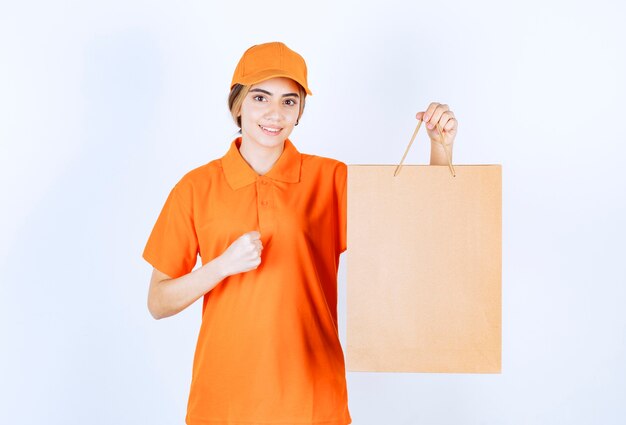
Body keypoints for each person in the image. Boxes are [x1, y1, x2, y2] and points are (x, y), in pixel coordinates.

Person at [142, 41, 458, 425]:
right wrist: (220, 267)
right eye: (261, 97)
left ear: (300, 112)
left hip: (312, 400)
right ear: (238, 104)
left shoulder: (330, 178)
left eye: (289, 101)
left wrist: (440, 149)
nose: (275, 114)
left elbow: (420, 232)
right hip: (223, 403)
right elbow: (159, 302)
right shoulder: (195, 187)